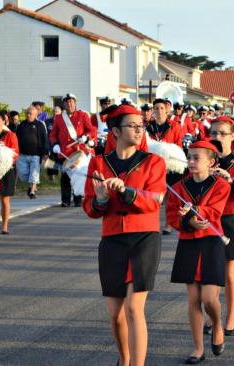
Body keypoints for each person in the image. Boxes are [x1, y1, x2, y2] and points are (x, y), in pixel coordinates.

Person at [83, 103, 166, 366]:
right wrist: (101, 199)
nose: (140, 130)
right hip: (112, 239)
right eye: (133, 125)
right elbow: (90, 208)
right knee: (115, 314)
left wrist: (127, 192)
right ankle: (124, 358)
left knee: (133, 308)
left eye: (142, 125)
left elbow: (154, 201)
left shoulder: (154, 161)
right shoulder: (98, 163)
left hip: (144, 237)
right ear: (116, 131)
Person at [166, 140, 230, 363]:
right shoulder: (179, 187)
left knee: (209, 298)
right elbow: (172, 216)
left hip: (211, 241)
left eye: (196, 158)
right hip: (189, 242)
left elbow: (215, 210)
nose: (191, 162)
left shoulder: (222, 185)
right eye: (189, 157)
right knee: (193, 298)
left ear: (211, 162)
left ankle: (217, 324)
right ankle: (198, 348)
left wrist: (195, 210)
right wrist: (188, 223)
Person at [206, 116, 234, 338]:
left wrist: (230, 180)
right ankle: (213, 316)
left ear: (232, 136)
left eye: (223, 133)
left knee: (229, 271)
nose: (217, 137)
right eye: (214, 133)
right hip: (208, 217)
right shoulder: (205, 159)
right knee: (210, 270)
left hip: (231, 217)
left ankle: (231, 316)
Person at [49, 93, 96, 207]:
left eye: (71, 101)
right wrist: (55, 144)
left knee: (78, 175)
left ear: (75, 103)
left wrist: (86, 137)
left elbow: (91, 130)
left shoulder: (83, 115)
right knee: (65, 176)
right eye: (67, 102)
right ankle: (65, 200)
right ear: (64, 104)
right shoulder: (59, 118)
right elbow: (53, 134)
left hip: (79, 152)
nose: (69, 104)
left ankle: (78, 198)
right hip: (65, 152)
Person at [146, 98, 183, 235]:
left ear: (166, 110)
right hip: (154, 165)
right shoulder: (149, 127)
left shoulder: (174, 126)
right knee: (155, 194)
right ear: (153, 111)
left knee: (168, 196)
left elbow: (178, 145)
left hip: (171, 165)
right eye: (156, 109)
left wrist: (168, 153)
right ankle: (153, 223)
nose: (159, 111)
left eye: (162, 108)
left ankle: (168, 224)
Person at [15, 106, 48, 198]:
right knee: (23, 173)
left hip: (35, 154)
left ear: (36, 114)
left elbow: (44, 139)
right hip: (22, 154)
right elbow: (16, 139)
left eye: (30, 114)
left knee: (34, 172)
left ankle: (32, 191)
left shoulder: (40, 125)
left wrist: (45, 153)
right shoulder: (21, 125)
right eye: (27, 113)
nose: (28, 115)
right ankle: (31, 186)